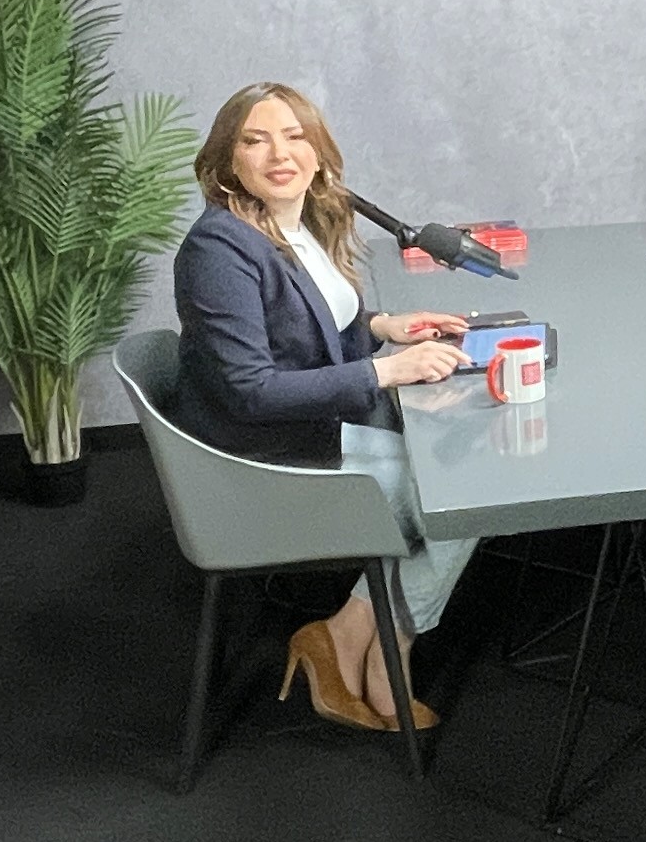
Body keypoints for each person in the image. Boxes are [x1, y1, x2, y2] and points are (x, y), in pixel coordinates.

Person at [171, 81, 477, 734]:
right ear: (228, 164)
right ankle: (388, 647)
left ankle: (342, 631)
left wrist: (385, 327)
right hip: (266, 465)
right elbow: (252, 388)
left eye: (294, 135)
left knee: (456, 467)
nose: (279, 153)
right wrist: (385, 371)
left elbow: (304, 331)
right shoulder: (219, 250)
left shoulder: (286, 224)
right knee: (466, 494)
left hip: (309, 434)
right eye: (255, 140)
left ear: (318, 151)